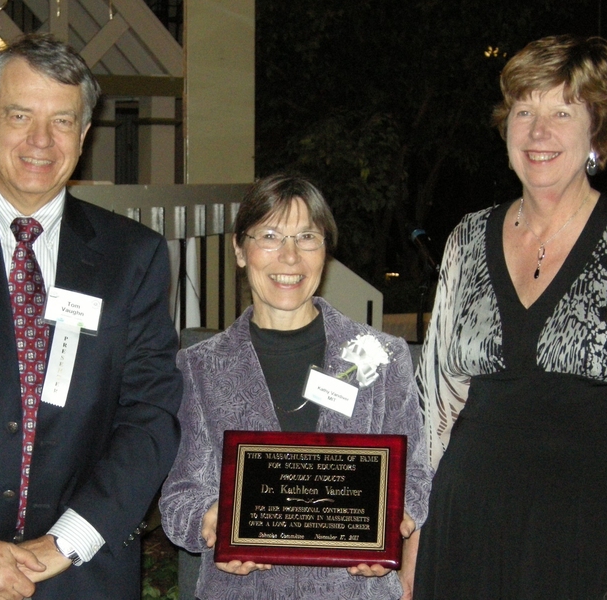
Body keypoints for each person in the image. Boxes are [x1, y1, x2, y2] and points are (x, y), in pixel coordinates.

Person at [0, 33, 182, 599]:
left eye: (63, 121)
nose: (41, 140)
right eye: (19, 115)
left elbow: (150, 414)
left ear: (84, 135)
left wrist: (66, 541)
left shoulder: (133, 256)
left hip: (80, 572)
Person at [414, 35, 607, 599]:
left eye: (561, 111)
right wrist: (410, 545)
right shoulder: (466, 238)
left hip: (587, 536)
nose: (538, 132)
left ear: (595, 133)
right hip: (463, 532)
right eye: (524, 111)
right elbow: (433, 409)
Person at [159, 174, 432, 599]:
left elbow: (413, 473)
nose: (289, 257)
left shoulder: (383, 356)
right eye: (270, 236)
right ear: (239, 250)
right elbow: (178, 496)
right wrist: (208, 521)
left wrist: (396, 520)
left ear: (325, 251)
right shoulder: (199, 366)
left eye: (307, 237)